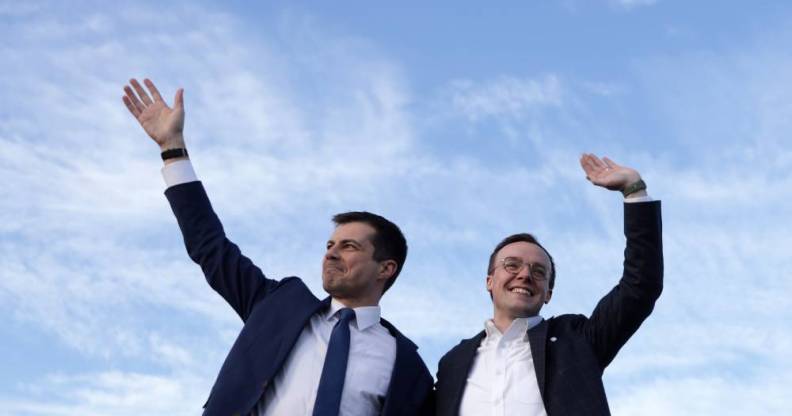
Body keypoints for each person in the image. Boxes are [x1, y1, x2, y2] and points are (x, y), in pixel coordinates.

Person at [122, 78, 434, 416]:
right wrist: (173, 148)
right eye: (329, 244)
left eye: (348, 246)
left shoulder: (407, 366)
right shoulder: (278, 304)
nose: (331, 253)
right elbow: (210, 246)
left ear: (386, 268)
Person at [435, 154, 663, 416]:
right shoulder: (453, 362)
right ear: (489, 281)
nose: (524, 274)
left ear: (548, 294)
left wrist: (633, 189)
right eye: (512, 265)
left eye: (539, 271)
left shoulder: (577, 341)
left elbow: (639, 287)